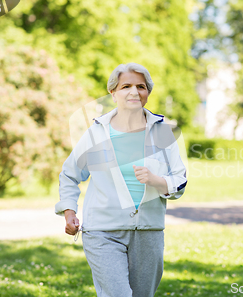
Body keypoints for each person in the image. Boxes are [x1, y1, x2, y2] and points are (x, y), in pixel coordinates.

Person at [55, 62, 187, 297]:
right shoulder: (97, 133)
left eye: (141, 86)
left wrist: (156, 180)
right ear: (113, 93)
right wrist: (69, 211)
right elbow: (70, 174)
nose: (134, 92)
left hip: (148, 231)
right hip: (102, 231)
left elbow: (180, 179)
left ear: (147, 93)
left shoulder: (163, 132)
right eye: (126, 86)